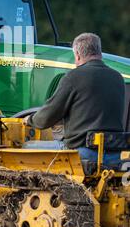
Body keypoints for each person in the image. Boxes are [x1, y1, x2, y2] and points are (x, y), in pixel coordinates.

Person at [24, 33, 126, 165]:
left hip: (82, 152)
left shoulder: (73, 77)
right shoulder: (117, 78)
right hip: (115, 154)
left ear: (77, 55)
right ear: (99, 52)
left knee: (26, 147)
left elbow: (46, 118)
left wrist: (30, 120)